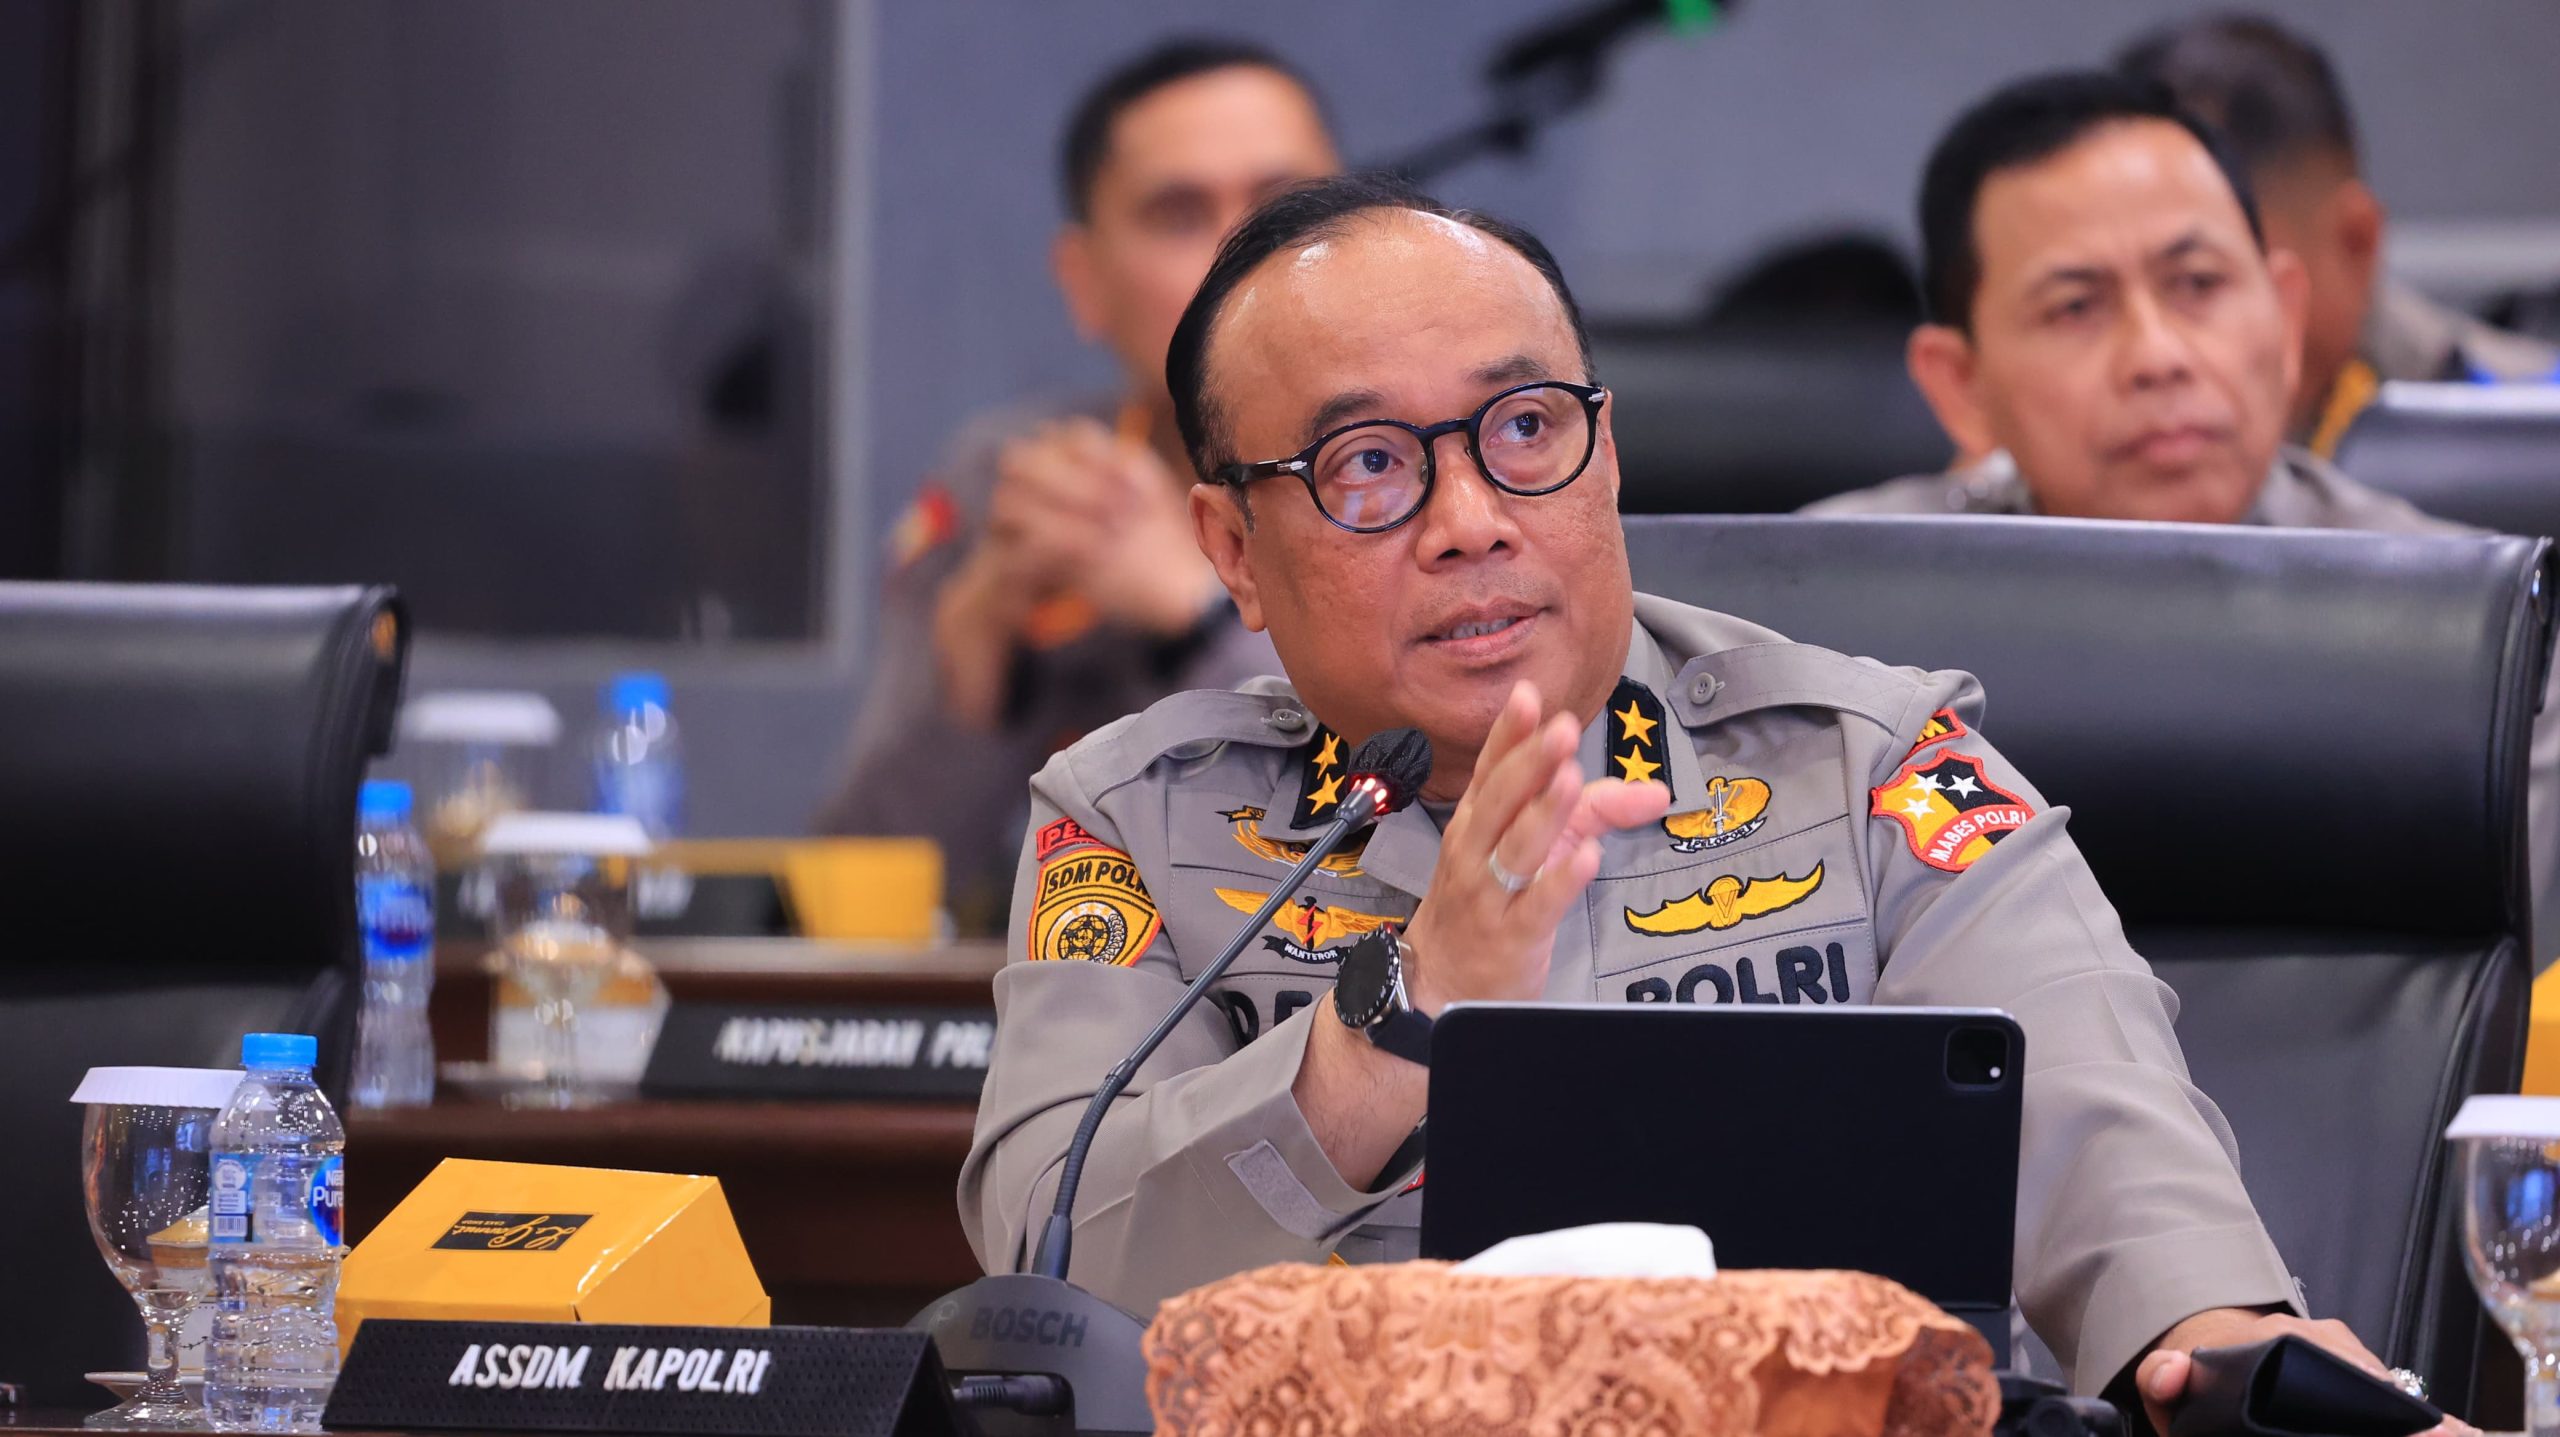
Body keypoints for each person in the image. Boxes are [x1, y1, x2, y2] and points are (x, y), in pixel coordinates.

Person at [958, 171, 2405, 1429]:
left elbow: (2106, 1139)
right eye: (1371, 466)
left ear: (1607, 453)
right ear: (1232, 550)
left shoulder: (1869, 767)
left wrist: (2222, 1356)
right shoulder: (1137, 822)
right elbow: (1054, 1279)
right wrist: (1399, 1017)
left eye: (1525, 428)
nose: (1472, 522)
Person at [1809, 70, 2560, 968]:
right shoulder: (1826, 624)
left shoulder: (2481, 638)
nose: (2158, 355)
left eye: (2198, 283)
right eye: (2075, 306)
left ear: (2286, 317)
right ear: (1960, 385)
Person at [814, 39, 1338, 930]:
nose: (1241, 253)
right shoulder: (1022, 485)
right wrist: (976, 673)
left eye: (1284, 206)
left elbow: (1429, 822)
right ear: (1086, 281)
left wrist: (1198, 611)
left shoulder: (1437, 467)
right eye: (1179, 215)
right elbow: (855, 892)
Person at [2118, 14, 2560, 458]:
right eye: (2090, 299)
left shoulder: (2530, 432)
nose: (2155, 352)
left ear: (2356, 242)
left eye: (2199, 282)